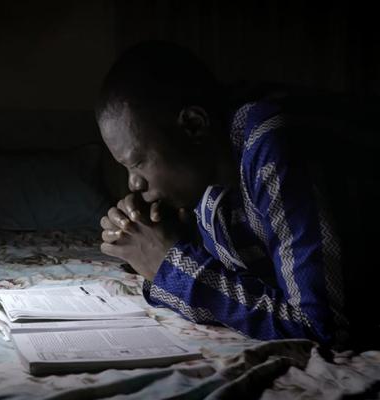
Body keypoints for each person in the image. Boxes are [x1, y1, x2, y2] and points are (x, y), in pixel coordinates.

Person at [96, 41, 350, 348]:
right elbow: (254, 287)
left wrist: (171, 265)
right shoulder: (208, 187)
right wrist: (165, 244)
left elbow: (322, 326)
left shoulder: (270, 144)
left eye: (137, 162)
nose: (134, 184)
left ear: (193, 125)